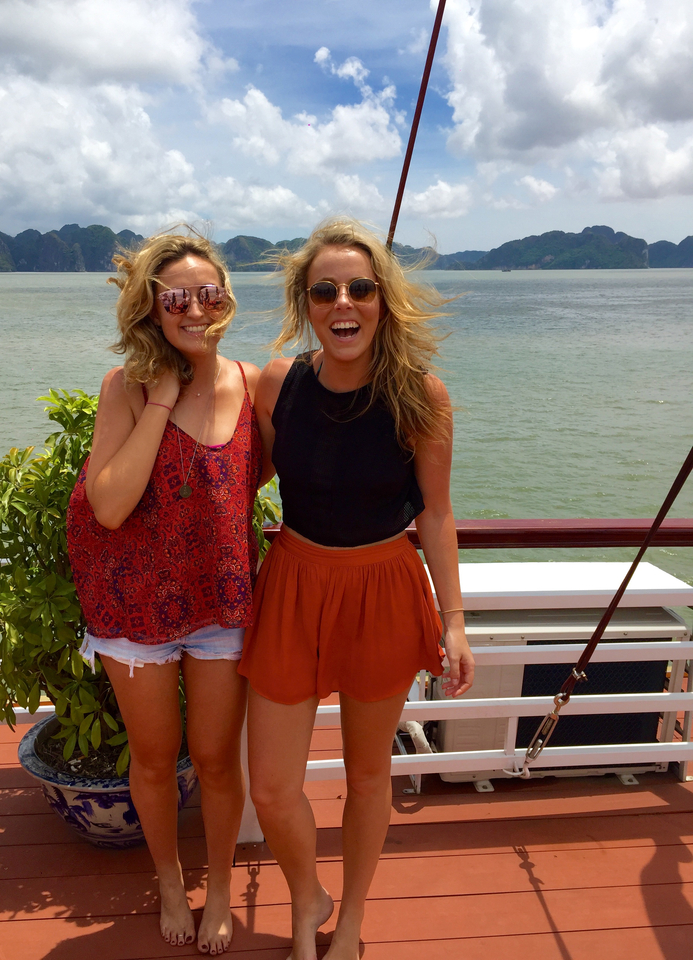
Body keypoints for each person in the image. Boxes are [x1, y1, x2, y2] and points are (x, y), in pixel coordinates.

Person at [238, 218, 474, 960]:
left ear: (382, 300)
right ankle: (309, 894)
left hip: (382, 588)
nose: (343, 303)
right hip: (294, 583)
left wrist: (455, 620)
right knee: (271, 787)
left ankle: (352, 921)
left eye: (360, 288)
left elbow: (436, 514)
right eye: (325, 291)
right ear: (305, 304)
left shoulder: (421, 395)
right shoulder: (278, 383)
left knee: (369, 777)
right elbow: (252, 472)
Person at [66, 231, 261, 954]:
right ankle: (171, 881)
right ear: (151, 307)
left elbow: (246, 477)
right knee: (153, 758)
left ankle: (220, 888)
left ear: (227, 301)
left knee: (216, 758)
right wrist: (163, 399)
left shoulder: (254, 384)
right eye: (177, 297)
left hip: (218, 602)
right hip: (133, 605)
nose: (195, 309)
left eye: (209, 294)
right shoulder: (125, 387)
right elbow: (109, 505)